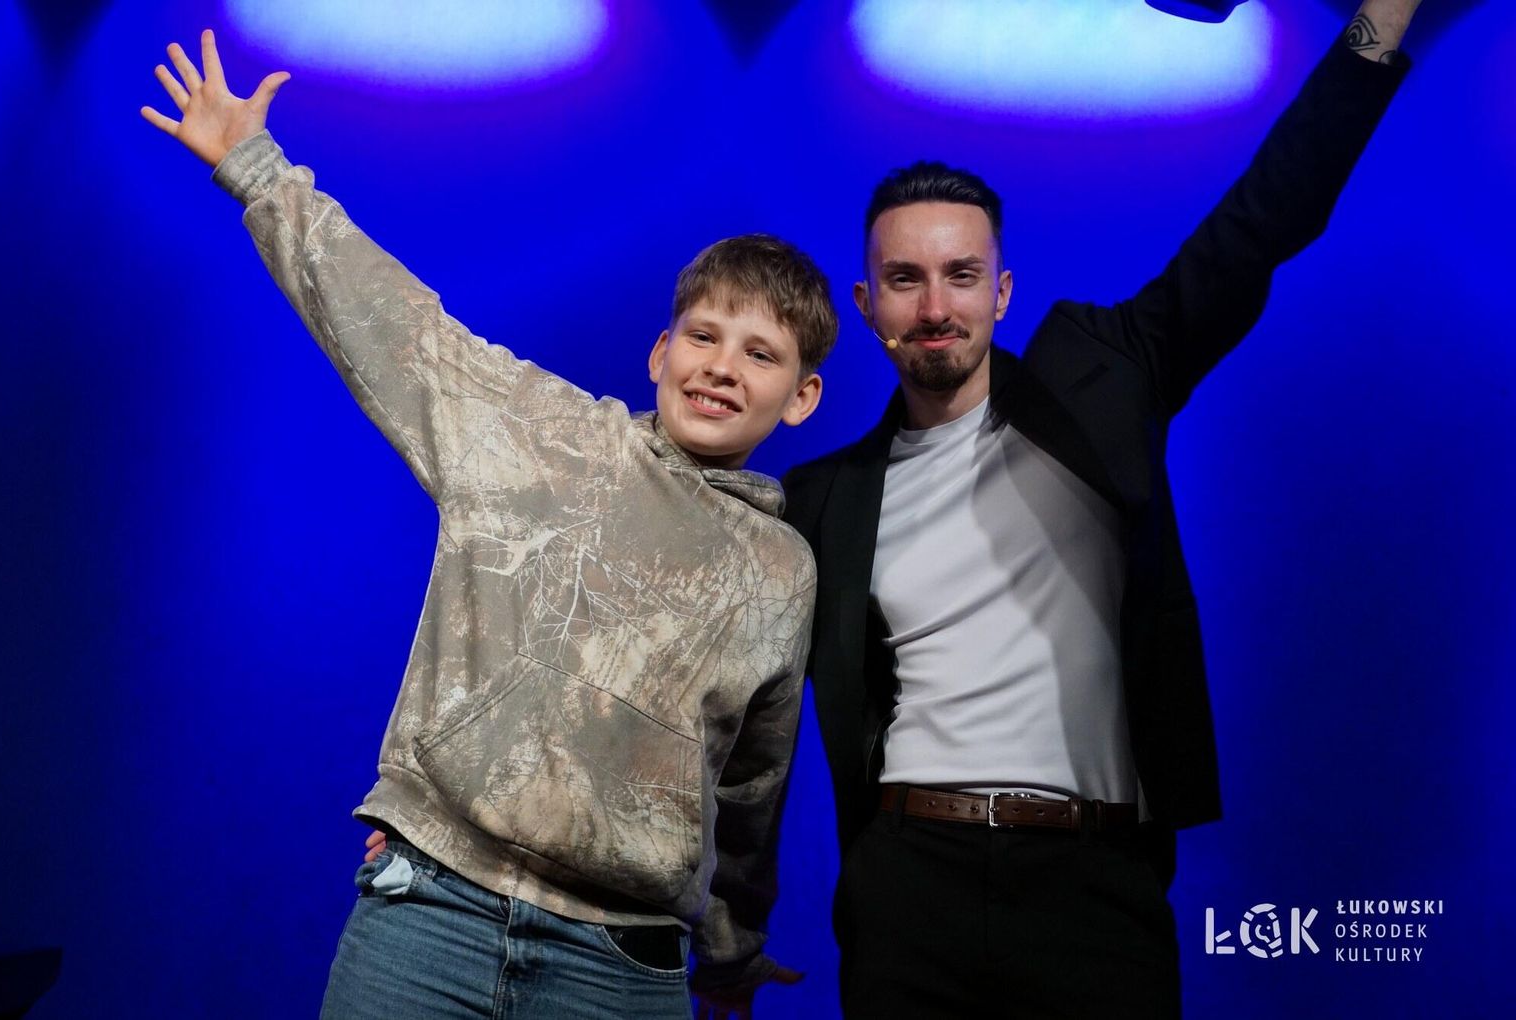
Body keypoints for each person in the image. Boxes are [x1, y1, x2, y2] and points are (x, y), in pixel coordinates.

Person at [141, 30, 831, 1019]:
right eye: (703, 335)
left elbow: (754, 784)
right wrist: (254, 167)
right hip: (432, 915)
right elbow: (399, 324)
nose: (722, 366)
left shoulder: (780, 568)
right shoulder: (541, 436)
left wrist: (730, 950)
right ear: (659, 353)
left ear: (800, 397)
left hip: (619, 964)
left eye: (760, 354)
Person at [781, 1, 1422, 1015]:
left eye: (962, 277)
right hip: (909, 883)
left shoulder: (1106, 376)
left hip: (1094, 883)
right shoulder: (824, 499)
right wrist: (727, 915)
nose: (935, 307)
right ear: (867, 306)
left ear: (1002, 293)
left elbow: (1265, 219)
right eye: (905, 280)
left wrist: (1379, 26)